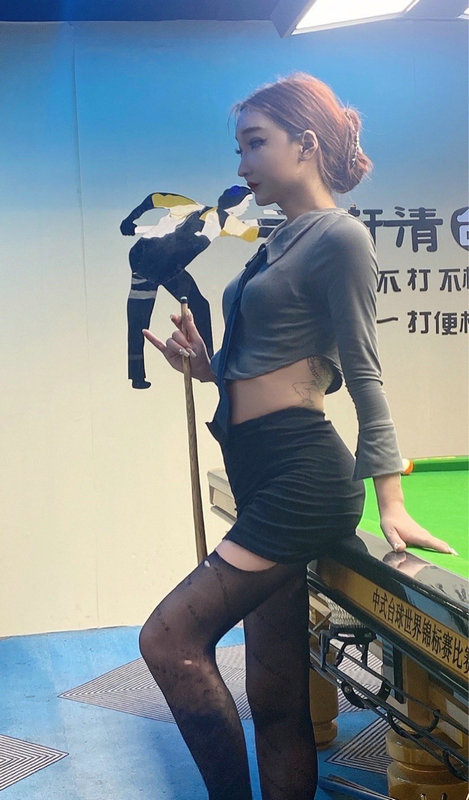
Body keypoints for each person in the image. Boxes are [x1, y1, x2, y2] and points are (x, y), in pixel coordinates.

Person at [138, 74, 455, 800]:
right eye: (239, 146)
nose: (241, 162)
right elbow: (273, 361)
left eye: (255, 142)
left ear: (305, 144)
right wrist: (208, 369)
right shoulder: (279, 241)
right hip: (259, 470)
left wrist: (390, 499)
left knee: (168, 639)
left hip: (300, 477)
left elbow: (363, 371)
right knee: (276, 698)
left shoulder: (341, 237)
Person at [120, 187, 281, 388]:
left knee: (196, 306)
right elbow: (155, 198)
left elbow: (255, 231)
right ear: (237, 203)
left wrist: (287, 224)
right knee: (140, 317)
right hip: (149, 262)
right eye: (247, 202)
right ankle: (140, 374)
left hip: (163, 267)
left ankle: (207, 363)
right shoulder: (198, 210)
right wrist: (129, 220)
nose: (247, 207)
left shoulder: (220, 221)